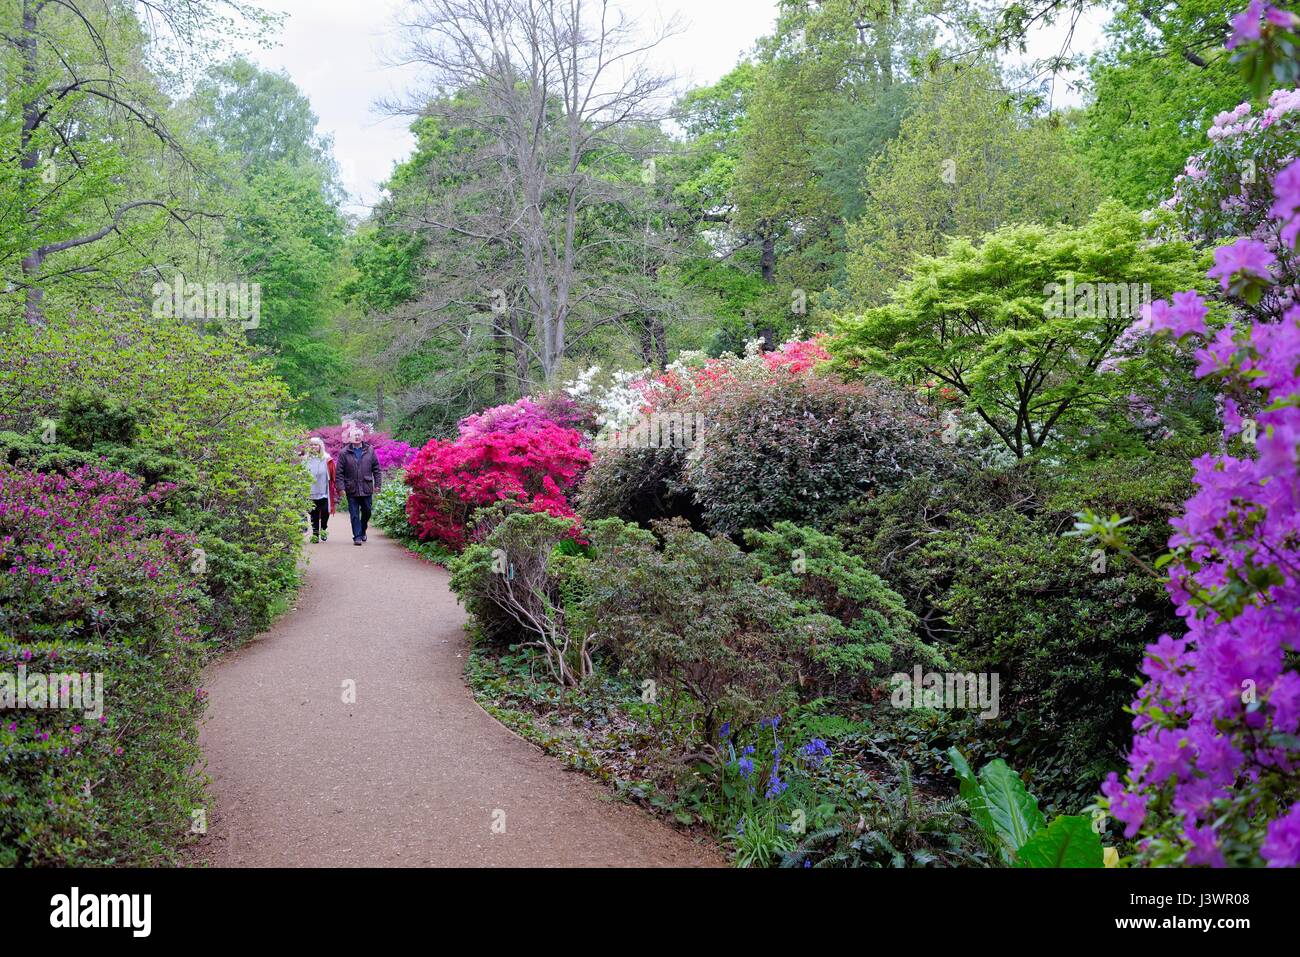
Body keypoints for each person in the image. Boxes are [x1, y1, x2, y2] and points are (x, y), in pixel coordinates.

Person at [334, 425, 381, 546]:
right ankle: (357, 536)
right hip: (351, 489)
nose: (357, 437)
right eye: (354, 435)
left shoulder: (370, 450)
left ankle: (363, 529)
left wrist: (378, 485)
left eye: (359, 435)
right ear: (349, 438)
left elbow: (376, 469)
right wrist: (341, 488)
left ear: (362, 437)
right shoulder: (344, 453)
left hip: (366, 487)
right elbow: (339, 473)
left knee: (367, 511)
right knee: (354, 514)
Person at [303, 437, 336, 543]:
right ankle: (315, 534)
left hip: (324, 491)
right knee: (313, 513)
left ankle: (324, 529)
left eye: (316, 445)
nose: (313, 447)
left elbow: (333, 474)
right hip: (311, 491)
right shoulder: (305, 459)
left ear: (320, 446)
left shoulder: (327, 458)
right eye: (311, 445)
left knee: (326, 511)